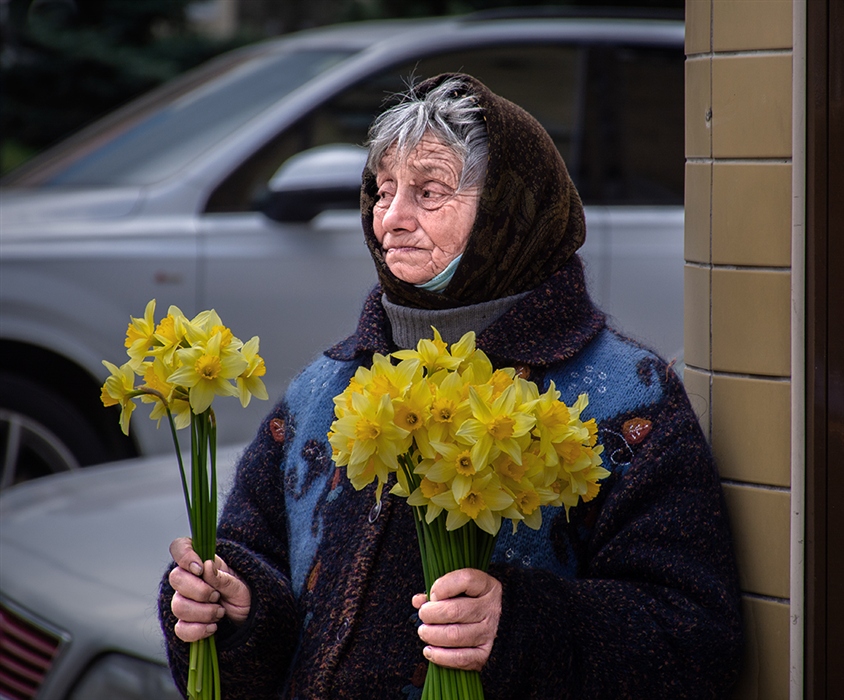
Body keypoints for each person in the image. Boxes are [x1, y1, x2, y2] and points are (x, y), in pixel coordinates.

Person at [159, 73, 743, 699]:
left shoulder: (625, 400)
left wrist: (519, 627)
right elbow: (259, 567)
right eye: (383, 192)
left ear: (509, 210)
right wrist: (233, 604)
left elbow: (693, 639)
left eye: (428, 192)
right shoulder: (322, 393)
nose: (392, 220)